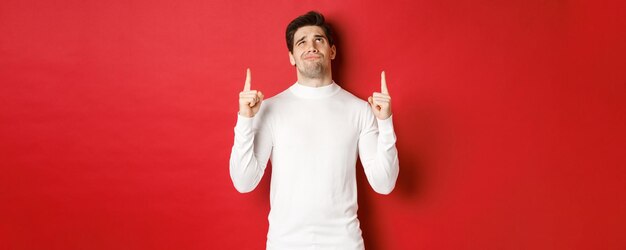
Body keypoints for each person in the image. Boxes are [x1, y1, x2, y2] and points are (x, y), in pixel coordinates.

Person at [229, 11, 399, 250]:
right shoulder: (269, 109)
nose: (311, 46)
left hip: (345, 244)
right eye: (302, 42)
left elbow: (385, 184)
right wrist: (245, 120)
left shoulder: (360, 110)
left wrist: (385, 122)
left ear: (332, 51)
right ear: (291, 56)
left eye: (319, 39)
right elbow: (243, 182)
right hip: (284, 244)